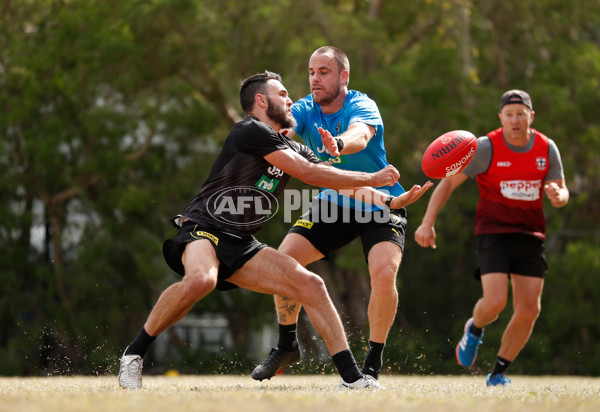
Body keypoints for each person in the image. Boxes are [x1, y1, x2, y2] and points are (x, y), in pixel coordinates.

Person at [118, 70, 431, 390]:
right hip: (203, 227)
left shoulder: (293, 148)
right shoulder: (249, 130)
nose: (290, 98)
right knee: (202, 280)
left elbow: (330, 178)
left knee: (311, 285)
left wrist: (388, 201)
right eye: (282, 94)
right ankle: (133, 355)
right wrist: (373, 178)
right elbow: (310, 175)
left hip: (241, 242)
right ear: (260, 100)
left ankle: (353, 380)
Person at [251, 46, 431, 382]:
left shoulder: (361, 105)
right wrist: (276, 135)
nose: (315, 79)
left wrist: (338, 143)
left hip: (382, 202)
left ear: (343, 76)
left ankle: (373, 364)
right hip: (335, 203)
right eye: (311, 72)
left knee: (383, 273)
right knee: (284, 260)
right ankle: (286, 345)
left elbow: (360, 135)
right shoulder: (304, 107)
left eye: (324, 72)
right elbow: (287, 127)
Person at [414, 89, 569, 386]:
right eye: (509, 114)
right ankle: (474, 329)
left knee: (529, 310)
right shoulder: (486, 148)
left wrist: (557, 195)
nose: (515, 119)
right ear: (501, 118)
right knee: (496, 302)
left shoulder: (546, 148)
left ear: (531, 117)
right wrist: (427, 222)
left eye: (521, 114)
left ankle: (497, 375)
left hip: (530, 234)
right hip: (493, 232)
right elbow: (447, 184)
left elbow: (562, 194)